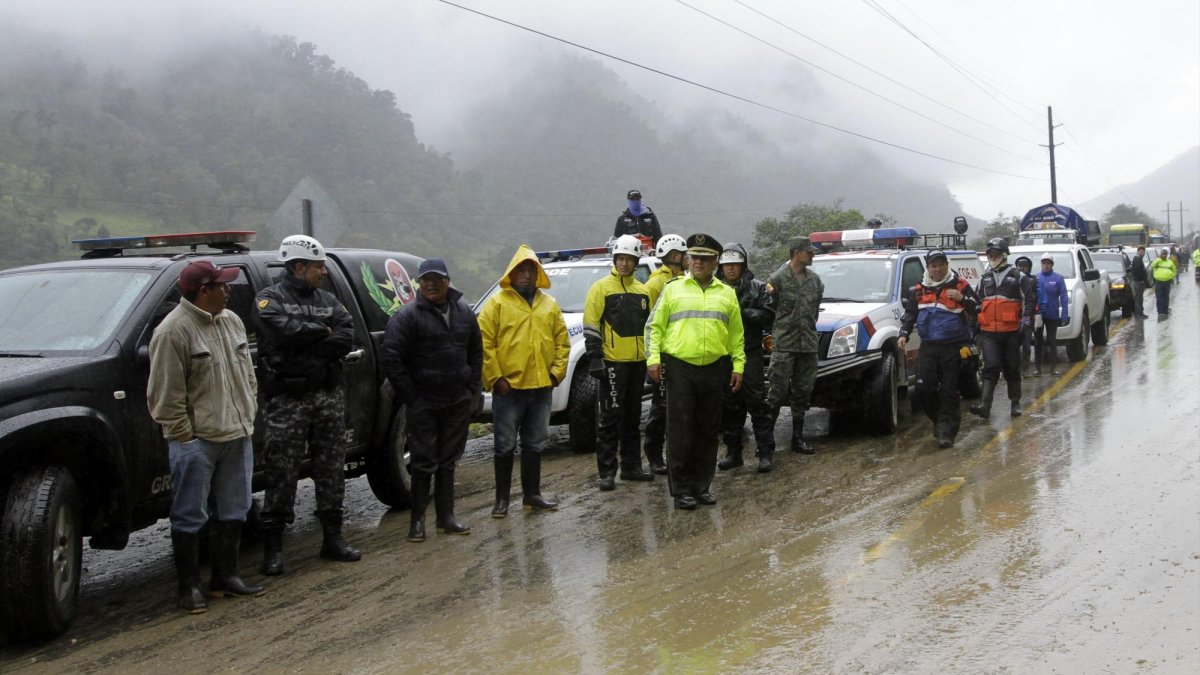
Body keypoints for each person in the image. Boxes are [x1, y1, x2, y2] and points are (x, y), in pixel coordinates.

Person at [148, 261, 264, 613]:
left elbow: (248, 374)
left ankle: (226, 577)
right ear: (202, 290)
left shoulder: (232, 321)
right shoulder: (173, 332)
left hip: (236, 433)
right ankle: (189, 588)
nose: (228, 290)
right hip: (197, 441)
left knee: (233, 509)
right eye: (221, 286)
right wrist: (185, 437)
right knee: (189, 514)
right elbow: (165, 396)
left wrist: (247, 413)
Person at [255, 235, 360, 576]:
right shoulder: (268, 299)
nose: (324, 272)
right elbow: (283, 332)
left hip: (327, 396)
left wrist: (312, 337)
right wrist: (322, 333)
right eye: (318, 267)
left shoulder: (329, 299)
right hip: (287, 400)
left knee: (331, 467)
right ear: (298, 267)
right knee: (281, 472)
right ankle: (273, 549)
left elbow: (347, 335)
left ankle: (333, 539)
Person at [381, 258, 482, 543]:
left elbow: (476, 351)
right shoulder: (407, 316)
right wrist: (411, 397)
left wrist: (471, 387)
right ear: (419, 283)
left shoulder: (464, 312)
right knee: (423, 463)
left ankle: (446, 518)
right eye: (425, 280)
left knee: (448, 460)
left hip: (456, 400)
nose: (431, 284)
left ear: (448, 281)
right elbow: (392, 359)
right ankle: (417, 523)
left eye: (437, 279)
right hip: (423, 402)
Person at [646, 234, 745, 509]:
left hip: (715, 367)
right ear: (688, 259)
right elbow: (654, 327)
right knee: (680, 429)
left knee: (708, 429)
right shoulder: (673, 289)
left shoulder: (726, 293)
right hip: (680, 367)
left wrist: (738, 365)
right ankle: (681, 489)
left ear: (715, 262)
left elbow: (736, 334)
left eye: (705, 258)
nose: (698, 263)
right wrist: (653, 359)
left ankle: (702, 486)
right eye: (694, 257)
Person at [478, 245, 570, 517]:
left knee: (534, 443)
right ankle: (501, 500)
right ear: (512, 273)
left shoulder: (549, 304)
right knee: (504, 444)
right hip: (509, 389)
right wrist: (495, 378)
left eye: (531, 270)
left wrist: (556, 373)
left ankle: (532, 495)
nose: (527, 275)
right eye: (522, 270)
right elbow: (484, 344)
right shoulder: (496, 304)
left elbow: (562, 342)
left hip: (541, 387)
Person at [583, 235, 654, 490]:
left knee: (634, 418)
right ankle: (607, 472)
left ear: (636, 262)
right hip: (613, 364)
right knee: (610, 418)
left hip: (638, 364)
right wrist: (595, 359)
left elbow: (650, 328)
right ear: (615, 260)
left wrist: (651, 357)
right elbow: (591, 325)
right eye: (620, 259)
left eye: (629, 260)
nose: (624, 264)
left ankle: (632, 467)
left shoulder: (642, 290)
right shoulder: (600, 288)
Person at [896, 249, 980, 448]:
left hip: (954, 346)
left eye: (941, 264)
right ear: (928, 268)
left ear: (946, 264)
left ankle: (946, 433)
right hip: (929, 347)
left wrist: (962, 299)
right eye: (934, 265)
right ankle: (939, 421)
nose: (938, 268)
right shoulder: (918, 290)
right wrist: (903, 333)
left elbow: (978, 308)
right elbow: (910, 315)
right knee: (924, 388)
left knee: (950, 391)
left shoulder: (961, 285)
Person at [716, 242, 777, 472]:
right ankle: (733, 453)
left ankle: (765, 452)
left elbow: (768, 314)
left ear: (744, 266)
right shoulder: (713, 289)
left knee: (757, 402)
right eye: (726, 265)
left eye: (735, 265)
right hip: (723, 355)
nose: (730, 269)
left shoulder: (759, 288)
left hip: (750, 352)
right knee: (729, 405)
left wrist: (741, 313)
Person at [766, 236, 824, 454]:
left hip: (807, 345)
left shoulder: (816, 281)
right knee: (776, 392)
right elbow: (769, 311)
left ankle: (797, 438)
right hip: (784, 345)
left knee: (802, 392)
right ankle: (766, 439)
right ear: (796, 253)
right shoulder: (777, 279)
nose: (812, 255)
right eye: (809, 252)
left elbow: (814, 312)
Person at [970, 238, 1034, 419]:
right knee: (990, 367)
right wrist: (974, 327)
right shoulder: (985, 278)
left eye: (996, 254)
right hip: (988, 332)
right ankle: (984, 405)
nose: (992, 257)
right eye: (990, 254)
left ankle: (1015, 403)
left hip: (1011, 331)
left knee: (1012, 367)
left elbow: (1029, 300)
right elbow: (977, 303)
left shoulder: (1018, 277)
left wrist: (1026, 320)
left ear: (1004, 255)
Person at [641, 233, 688, 475]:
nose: (687, 258)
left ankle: (675, 455)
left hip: (680, 352)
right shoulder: (655, 283)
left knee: (678, 408)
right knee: (660, 408)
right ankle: (654, 455)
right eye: (684, 254)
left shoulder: (684, 279)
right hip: (663, 354)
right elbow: (651, 324)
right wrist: (654, 357)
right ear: (675, 256)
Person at [1034, 253, 1069, 376]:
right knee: (1038, 341)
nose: (1046, 266)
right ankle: (1037, 369)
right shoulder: (1036, 278)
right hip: (1038, 314)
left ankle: (1053, 368)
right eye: (1044, 263)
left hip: (1052, 313)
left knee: (1052, 341)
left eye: (1048, 263)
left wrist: (1064, 313)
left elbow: (1064, 296)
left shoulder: (1058, 278)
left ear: (1052, 265)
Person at [1013, 255, 1037, 377]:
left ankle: (1025, 369)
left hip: (1027, 316)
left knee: (1026, 345)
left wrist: (1034, 315)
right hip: (1014, 318)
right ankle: (1015, 369)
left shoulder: (1033, 280)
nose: (1022, 268)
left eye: (1025, 266)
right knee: (1014, 346)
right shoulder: (1012, 280)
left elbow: (1034, 299)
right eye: (1020, 266)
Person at [1149, 248, 1177, 319]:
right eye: (1163, 254)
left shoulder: (1170, 262)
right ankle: (1160, 312)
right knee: (1159, 296)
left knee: (1166, 296)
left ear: (1167, 255)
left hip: (1167, 281)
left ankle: (1165, 310)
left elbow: (1174, 269)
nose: (1164, 255)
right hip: (1159, 281)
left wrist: (1172, 276)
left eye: (1165, 254)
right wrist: (1158, 259)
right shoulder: (1157, 261)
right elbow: (1152, 265)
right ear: (1160, 255)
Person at [1130, 246, 1149, 319]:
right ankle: (1138, 314)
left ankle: (1141, 313)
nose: (1143, 253)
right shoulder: (1137, 259)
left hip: (1140, 282)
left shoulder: (1139, 259)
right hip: (1138, 282)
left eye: (1143, 252)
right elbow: (1137, 271)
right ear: (1138, 251)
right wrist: (1141, 280)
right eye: (1141, 251)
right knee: (1138, 298)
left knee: (1140, 298)